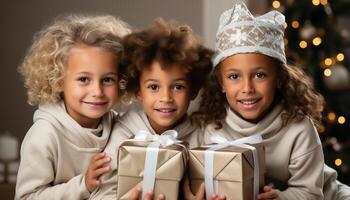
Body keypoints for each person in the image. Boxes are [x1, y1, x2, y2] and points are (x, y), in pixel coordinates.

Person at [192, 2, 350, 200]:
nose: (247, 88)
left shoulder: (298, 128)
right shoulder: (211, 128)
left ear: (279, 79)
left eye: (259, 75)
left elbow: (310, 192)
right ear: (221, 82)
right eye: (234, 77)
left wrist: (280, 198)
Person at [89, 18, 214, 200]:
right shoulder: (124, 133)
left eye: (178, 87)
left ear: (193, 90)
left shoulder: (201, 135)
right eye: (154, 87)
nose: (166, 98)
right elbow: (101, 192)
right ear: (138, 91)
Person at [15, 15, 130, 199]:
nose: (97, 91)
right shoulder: (45, 136)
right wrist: (83, 184)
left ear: (122, 81)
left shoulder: (121, 126)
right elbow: (27, 197)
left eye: (107, 79)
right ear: (58, 80)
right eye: (84, 79)